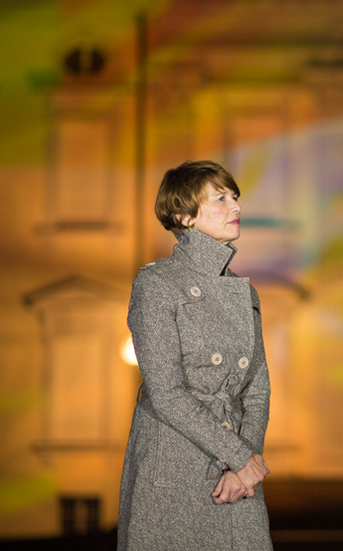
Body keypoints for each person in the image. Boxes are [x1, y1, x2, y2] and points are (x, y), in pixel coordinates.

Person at [117, 160, 273, 550]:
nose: (235, 206)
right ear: (184, 215)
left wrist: (243, 467)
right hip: (173, 466)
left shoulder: (244, 291)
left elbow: (257, 389)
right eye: (220, 198)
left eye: (234, 197)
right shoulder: (155, 284)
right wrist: (239, 455)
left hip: (234, 474)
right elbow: (166, 392)